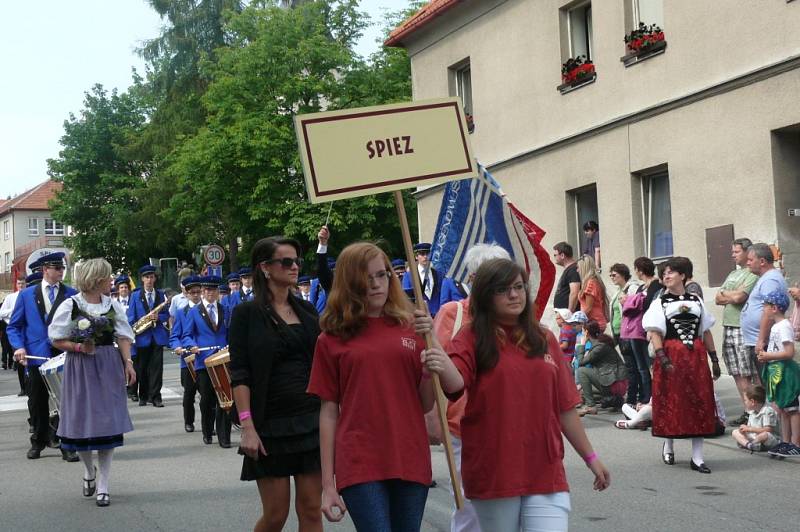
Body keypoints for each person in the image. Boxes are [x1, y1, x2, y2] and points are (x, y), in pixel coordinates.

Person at [423, 258, 609, 531]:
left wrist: (592, 459)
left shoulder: (544, 339)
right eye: (503, 289)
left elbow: (565, 408)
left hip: (545, 469)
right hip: (494, 470)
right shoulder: (470, 337)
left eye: (519, 287)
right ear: (486, 294)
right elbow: (455, 385)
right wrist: (438, 357)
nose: (514, 295)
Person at [309, 242, 436, 532]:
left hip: (410, 455)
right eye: (367, 278)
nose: (376, 284)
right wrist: (328, 484)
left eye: (382, 275)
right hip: (359, 459)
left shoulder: (412, 327)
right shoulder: (331, 338)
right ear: (350, 282)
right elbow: (328, 413)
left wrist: (428, 375)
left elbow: (425, 404)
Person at [229, 236, 323, 532]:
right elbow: (240, 372)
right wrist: (248, 426)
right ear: (265, 268)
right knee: (275, 514)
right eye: (286, 261)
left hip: (311, 420)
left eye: (297, 261)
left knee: (311, 510)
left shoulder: (307, 311)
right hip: (269, 424)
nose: (294, 267)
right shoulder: (246, 314)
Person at [432, 243, 512, 532]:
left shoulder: (515, 318)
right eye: (495, 279)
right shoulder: (452, 313)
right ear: (475, 279)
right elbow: (433, 370)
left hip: (509, 426)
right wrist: (433, 421)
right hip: (463, 427)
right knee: (471, 507)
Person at [48, 259, 136, 507]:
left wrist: (128, 363)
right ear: (97, 280)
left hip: (108, 365)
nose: (112, 282)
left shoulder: (112, 305)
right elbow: (55, 338)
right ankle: (89, 471)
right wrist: (79, 346)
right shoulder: (71, 304)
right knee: (82, 423)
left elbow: (124, 335)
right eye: (108, 278)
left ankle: (104, 485)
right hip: (81, 367)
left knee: (108, 423)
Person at [642, 257, 720, 474]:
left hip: (695, 355)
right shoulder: (660, 302)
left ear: (683, 275)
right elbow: (655, 332)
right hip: (671, 354)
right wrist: (662, 357)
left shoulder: (696, 300)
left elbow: (705, 331)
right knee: (671, 399)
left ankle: (698, 457)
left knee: (699, 400)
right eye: (663, 273)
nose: (666, 276)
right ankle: (669, 443)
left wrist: (714, 359)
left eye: (670, 272)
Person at [8, 252, 79, 461]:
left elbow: (78, 324)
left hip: (63, 355)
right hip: (36, 356)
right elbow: (14, 326)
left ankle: (66, 443)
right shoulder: (26, 295)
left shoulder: (71, 293)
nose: (61, 272)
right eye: (57, 268)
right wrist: (19, 347)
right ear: (45, 270)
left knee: (66, 402)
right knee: (38, 401)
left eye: (62, 268)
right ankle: (38, 440)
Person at [714, 238, 759, 427]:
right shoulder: (733, 273)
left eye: (736, 251)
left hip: (742, 328)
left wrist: (729, 295)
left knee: (747, 372)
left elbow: (741, 297)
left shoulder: (752, 274)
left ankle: (756, 412)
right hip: (728, 327)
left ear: (747, 252)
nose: (733, 255)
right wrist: (729, 296)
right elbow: (717, 297)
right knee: (736, 373)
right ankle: (747, 411)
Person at [182, 275, 231, 447]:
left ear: (218, 292)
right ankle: (207, 431)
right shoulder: (194, 311)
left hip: (223, 360)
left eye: (214, 290)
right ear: (203, 291)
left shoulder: (225, 309)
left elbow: (230, 332)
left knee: (225, 399)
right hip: (203, 361)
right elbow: (186, 335)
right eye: (208, 290)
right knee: (207, 399)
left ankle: (224, 437)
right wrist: (191, 345)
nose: (211, 293)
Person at [756, 290, 800, 456]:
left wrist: (768, 355)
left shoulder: (784, 326)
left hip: (785, 371)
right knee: (782, 408)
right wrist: (766, 357)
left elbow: (789, 352)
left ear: (774, 308)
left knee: (792, 408)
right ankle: (785, 441)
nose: (763, 310)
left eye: (765, 306)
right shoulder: (776, 326)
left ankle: (795, 443)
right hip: (776, 369)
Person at [741, 243, 788, 377]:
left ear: (762, 261)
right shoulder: (765, 278)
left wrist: (761, 340)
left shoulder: (771, 279)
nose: (747, 263)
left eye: (750, 260)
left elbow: (769, 311)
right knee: (767, 385)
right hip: (759, 340)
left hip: (766, 343)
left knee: (773, 385)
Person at [127, 265, 170, 408]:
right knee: (142, 368)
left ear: (155, 279)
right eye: (147, 277)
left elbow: (166, 314)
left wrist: (159, 317)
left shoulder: (160, 294)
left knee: (157, 368)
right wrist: (133, 331)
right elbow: (131, 316)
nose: (149, 280)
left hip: (157, 335)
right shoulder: (135, 296)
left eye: (152, 277)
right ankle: (143, 395)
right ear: (142, 279)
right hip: (141, 336)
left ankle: (156, 397)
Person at [619, 257, 660, 407]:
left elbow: (649, 304)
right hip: (636, 329)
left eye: (636, 269)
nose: (635, 271)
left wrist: (630, 300)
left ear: (640, 270)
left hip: (646, 330)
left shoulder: (655, 285)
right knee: (641, 367)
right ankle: (645, 397)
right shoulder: (642, 287)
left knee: (649, 366)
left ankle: (651, 397)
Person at [169, 275, 202, 433]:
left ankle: (209, 423)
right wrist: (177, 347)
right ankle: (189, 421)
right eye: (192, 292)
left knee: (208, 394)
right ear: (187, 294)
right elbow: (175, 336)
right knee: (189, 393)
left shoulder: (207, 310)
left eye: (198, 292)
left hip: (204, 357)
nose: (196, 295)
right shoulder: (181, 313)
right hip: (187, 359)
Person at [576, 321, 627, 416]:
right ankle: (613, 399)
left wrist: (581, 344)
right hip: (611, 381)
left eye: (583, 331)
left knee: (581, 371)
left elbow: (581, 362)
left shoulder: (599, 346)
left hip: (614, 383)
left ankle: (591, 406)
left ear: (586, 332)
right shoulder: (601, 342)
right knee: (583, 393)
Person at [731, 384, 780, 453]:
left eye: (745, 400)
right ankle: (749, 445)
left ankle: (749, 444)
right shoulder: (752, 412)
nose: (744, 402)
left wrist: (749, 429)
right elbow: (750, 428)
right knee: (735, 432)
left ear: (752, 402)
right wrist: (744, 430)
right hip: (755, 437)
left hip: (769, 439)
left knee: (764, 435)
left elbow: (768, 429)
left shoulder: (768, 411)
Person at [402, 242, 444, 316]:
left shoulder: (439, 275)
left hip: (438, 315)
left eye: (428, 254)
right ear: (416, 256)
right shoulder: (408, 276)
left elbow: (443, 296)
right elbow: (406, 299)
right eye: (422, 254)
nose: (425, 257)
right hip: (420, 316)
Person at [576, 255, 608, 331]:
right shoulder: (594, 281)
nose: (577, 270)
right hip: (595, 322)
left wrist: (577, 321)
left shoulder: (590, 283)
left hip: (594, 323)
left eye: (578, 267)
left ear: (584, 268)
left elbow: (588, 307)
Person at [1, 277, 26, 370]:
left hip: (25, 327)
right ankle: (16, 363)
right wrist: (13, 313)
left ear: (26, 284)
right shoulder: (10, 297)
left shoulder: (30, 296)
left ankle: (19, 363)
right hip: (13, 326)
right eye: (19, 284)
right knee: (12, 346)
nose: (21, 286)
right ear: (16, 285)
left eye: (23, 283)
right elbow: (2, 312)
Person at [552, 242, 580, 312]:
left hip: (569, 317)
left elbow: (574, 293)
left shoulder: (573, 270)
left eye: (555, 255)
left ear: (562, 255)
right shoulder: (569, 269)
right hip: (563, 315)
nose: (554, 257)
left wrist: (569, 313)